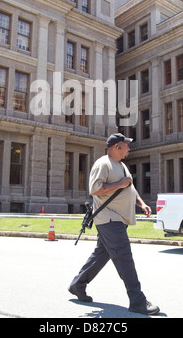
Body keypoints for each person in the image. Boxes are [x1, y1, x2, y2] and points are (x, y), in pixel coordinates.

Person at [69, 133, 160, 316]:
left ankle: (78, 285)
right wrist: (119, 183)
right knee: (124, 256)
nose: (129, 148)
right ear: (117, 146)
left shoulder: (122, 166)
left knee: (101, 254)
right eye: (126, 145)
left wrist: (141, 204)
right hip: (109, 219)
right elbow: (95, 190)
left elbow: (130, 188)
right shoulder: (103, 164)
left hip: (117, 219)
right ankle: (137, 301)